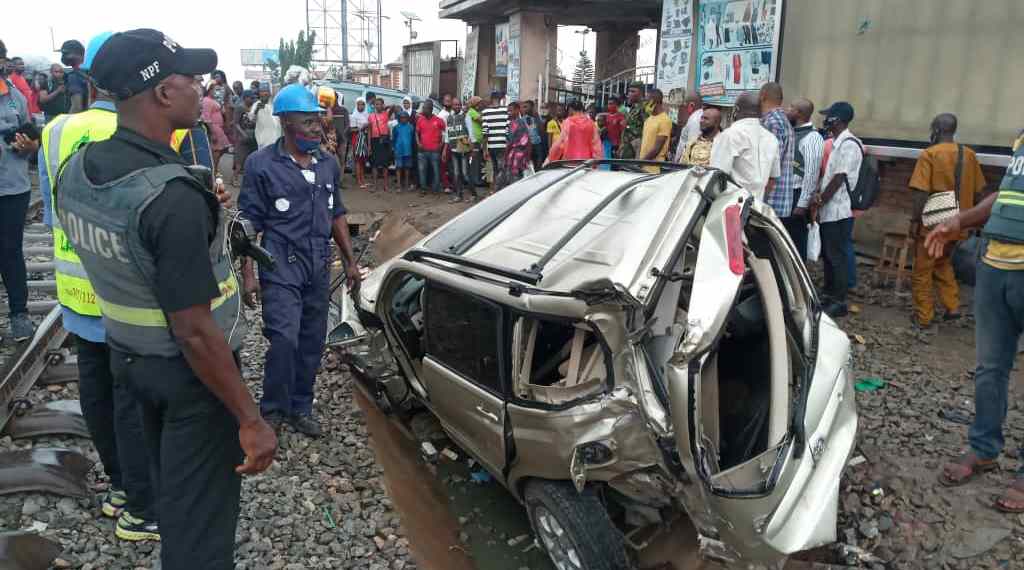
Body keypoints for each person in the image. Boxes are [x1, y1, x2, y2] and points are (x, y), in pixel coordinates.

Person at [62, 28, 277, 568]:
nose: (200, 89)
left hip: (130, 363)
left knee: (171, 496)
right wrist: (249, 417)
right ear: (162, 93)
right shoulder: (169, 197)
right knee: (198, 530)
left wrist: (195, 194)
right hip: (192, 379)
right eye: (191, 79)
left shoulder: (79, 171)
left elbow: (132, 247)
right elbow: (194, 330)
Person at [37, 30, 159, 541]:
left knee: (96, 391)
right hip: (123, 296)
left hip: (75, 290)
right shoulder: (149, 132)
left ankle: (116, 487)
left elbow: (51, 215)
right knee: (131, 399)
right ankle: (139, 506)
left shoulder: (57, 132)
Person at [240, 82, 360, 440]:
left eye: (317, 120)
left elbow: (336, 213)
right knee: (284, 339)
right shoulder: (261, 165)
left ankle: (300, 406)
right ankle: (273, 410)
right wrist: (249, 276)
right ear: (286, 123)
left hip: (318, 263)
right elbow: (247, 225)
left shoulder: (327, 164)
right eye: (308, 121)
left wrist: (349, 261)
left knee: (311, 340)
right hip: (280, 263)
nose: (317, 127)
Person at [926, 135, 1024, 512]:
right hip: (995, 266)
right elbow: (1004, 197)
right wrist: (959, 220)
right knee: (989, 369)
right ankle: (984, 448)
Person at [908, 113, 986, 329]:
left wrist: (916, 221)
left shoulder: (929, 154)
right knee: (942, 262)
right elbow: (980, 191)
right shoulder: (969, 154)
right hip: (960, 221)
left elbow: (921, 194)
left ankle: (923, 317)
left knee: (922, 269)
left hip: (935, 221)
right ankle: (952, 307)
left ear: (935, 129)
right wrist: (972, 220)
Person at [0, 40, 39, 342]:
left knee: (11, 251)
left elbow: (31, 139)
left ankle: (19, 315)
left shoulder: (15, 98)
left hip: (13, 187)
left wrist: (30, 145)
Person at [814, 102, 862, 318]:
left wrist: (821, 200)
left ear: (838, 120)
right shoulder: (835, 143)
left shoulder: (849, 144)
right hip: (830, 210)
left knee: (837, 256)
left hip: (839, 211)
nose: (826, 121)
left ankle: (839, 301)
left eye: (829, 117)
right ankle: (829, 293)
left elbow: (839, 177)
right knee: (829, 254)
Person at [709, 91, 780, 200]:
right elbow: (772, 179)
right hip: (756, 209)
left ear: (736, 110)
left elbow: (716, 176)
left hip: (729, 206)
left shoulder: (729, 135)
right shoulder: (772, 139)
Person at [760, 82, 800, 238]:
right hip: (779, 199)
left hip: (771, 199)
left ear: (763, 96)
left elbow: (770, 164)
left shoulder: (772, 122)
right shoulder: (782, 120)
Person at [787, 98, 825, 260]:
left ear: (799, 113)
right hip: (786, 194)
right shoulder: (792, 132)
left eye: (791, 107)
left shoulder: (812, 137)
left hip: (797, 196)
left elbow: (811, 173)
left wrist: (802, 203)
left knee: (797, 242)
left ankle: (798, 279)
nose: (787, 110)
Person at [546, 98, 602, 163]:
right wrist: (596, 161)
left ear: (571, 109)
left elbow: (560, 144)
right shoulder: (591, 123)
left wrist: (551, 157)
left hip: (570, 161)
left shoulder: (568, 122)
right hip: (586, 162)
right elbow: (596, 144)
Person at [446, 98, 474, 202]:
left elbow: (471, 133)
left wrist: (472, 148)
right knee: (456, 174)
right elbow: (447, 135)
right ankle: (459, 195)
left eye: (458, 105)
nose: (457, 106)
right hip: (453, 149)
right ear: (452, 106)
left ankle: (473, 194)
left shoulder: (466, 116)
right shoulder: (449, 118)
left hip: (464, 149)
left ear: (461, 105)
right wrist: (445, 149)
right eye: (455, 105)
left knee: (465, 174)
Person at [639, 89, 673, 174]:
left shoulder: (665, 120)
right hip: (643, 166)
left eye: (646, 100)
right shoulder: (648, 119)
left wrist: (639, 163)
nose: (644, 103)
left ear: (653, 101)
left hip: (654, 169)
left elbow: (656, 149)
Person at [481, 90, 509, 193]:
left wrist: (484, 149)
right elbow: (507, 129)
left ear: (491, 99)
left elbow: (485, 132)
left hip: (491, 146)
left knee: (495, 168)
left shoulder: (485, 112)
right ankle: (500, 190)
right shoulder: (506, 111)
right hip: (503, 144)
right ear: (500, 99)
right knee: (502, 168)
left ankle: (496, 190)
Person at [416, 100, 446, 195]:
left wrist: (441, 145)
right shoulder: (420, 120)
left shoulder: (439, 120)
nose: (423, 109)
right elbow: (416, 133)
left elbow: (446, 133)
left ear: (430, 109)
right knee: (422, 170)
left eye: (424, 108)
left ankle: (435, 189)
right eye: (423, 107)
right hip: (422, 151)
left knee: (436, 170)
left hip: (435, 151)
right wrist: (418, 143)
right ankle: (423, 189)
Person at [201, 85, 229, 175]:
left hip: (218, 127)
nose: (218, 92)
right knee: (217, 150)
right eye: (215, 90)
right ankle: (214, 170)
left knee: (223, 148)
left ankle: (214, 168)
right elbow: (206, 117)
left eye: (219, 90)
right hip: (214, 127)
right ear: (209, 90)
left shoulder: (214, 100)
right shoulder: (206, 101)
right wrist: (212, 132)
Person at [504, 101, 533, 184]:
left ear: (517, 110)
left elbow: (510, 142)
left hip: (516, 156)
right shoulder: (521, 122)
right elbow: (529, 140)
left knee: (514, 180)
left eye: (511, 111)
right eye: (508, 111)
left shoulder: (515, 123)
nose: (509, 113)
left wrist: (506, 154)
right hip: (522, 155)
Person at [232, 90, 257, 183]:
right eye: (251, 98)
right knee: (240, 159)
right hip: (242, 137)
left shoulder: (253, 108)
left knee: (250, 159)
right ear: (245, 97)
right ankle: (234, 179)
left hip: (251, 136)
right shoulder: (239, 107)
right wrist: (243, 134)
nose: (252, 100)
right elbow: (236, 123)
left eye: (253, 98)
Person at [618, 81, 648, 159]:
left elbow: (647, 129)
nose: (629, 94)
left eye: (633, 91)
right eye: (629, 91)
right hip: (627, 147)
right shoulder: (633, 107)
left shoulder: (644, 108)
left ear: (641, 93)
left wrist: (627, 126)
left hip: (636, 149)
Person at [368, 97, 392, 192]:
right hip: (374, 140)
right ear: (374, 105)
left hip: (384, 140)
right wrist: (369, 145)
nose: (378, 106)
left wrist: (386, 107)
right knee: (374, 164)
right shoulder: (371, 116)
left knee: (385, 164)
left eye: (380, 104)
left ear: (383, 105)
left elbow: (394, 107)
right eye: (376, 104)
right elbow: (369, 130)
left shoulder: (386, 114)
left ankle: (386, 185)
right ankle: (375, 186)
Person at [672, 91, 703, 163]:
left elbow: (692, 146)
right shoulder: (697, 117)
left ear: (691, 105)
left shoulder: (695, 120)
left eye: (684, 106)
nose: (683, 109)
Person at [60, 39, 89, 112]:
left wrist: (66, 122)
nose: (64, 57)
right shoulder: (91, 72)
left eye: (66, 53)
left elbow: (76, 107)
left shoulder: (74, 76)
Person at [251, 82, 279, 149]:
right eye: (262, 91)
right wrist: (257, 110)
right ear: (259, 93)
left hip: (276, 140)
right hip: (263, 141)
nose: (264, 93)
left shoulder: (275, 104)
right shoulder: (256, 105)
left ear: (270, 93)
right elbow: (252, 121)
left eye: (266, 91)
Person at [465, 95, 485, 190]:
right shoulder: (472, 112)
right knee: (475, 162)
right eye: (480, 103)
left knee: (477, 161)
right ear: (476, 104)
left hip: (477, 140)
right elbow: (482, 120)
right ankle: (475, 181)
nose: (481, 105)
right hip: (474, 140)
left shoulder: (474, 112)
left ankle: (476, 180)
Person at [350, 96, 370, 189]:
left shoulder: (366, 115)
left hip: (364, 138)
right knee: (358, 160)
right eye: (359, 104)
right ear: (356, 105)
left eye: (363, 104)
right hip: (357, 138)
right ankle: (359, 180)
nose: (361, 106)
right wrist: (362, 127)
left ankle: (363, 179)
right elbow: (352, 129)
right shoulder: (354, 116)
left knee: (363, 160)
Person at [392, 112, 415, 192]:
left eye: (405, 117)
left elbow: (412, 139)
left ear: (408, 118)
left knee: (407, 168)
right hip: (398, 150)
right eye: (401, 117)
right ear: (399, 118)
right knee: (398, 167)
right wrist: (394, 149)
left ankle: (406, 184)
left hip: (408, 151)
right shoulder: (396, 127)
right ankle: (398, 185)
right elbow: (393, 139)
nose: (403, 119)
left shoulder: (411, 127)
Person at [522, 100, 545, 171]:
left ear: (531, 107)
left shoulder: (537, 117)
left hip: (537, 144)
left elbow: (542, 131)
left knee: (538, 165)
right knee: (528, 166)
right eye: (523, 107)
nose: (524, 109)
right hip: (527, 145)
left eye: (526, 107)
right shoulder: (522, 119)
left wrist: (537, 118)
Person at [331, 94, 350, 177]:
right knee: (331, 159)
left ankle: (340, 181)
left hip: (342, 140)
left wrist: (342, 134)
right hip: (330, 140)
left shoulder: (343, 110)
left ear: (336, 98)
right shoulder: (327, 111)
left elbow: (347, 125)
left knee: (341, 159)